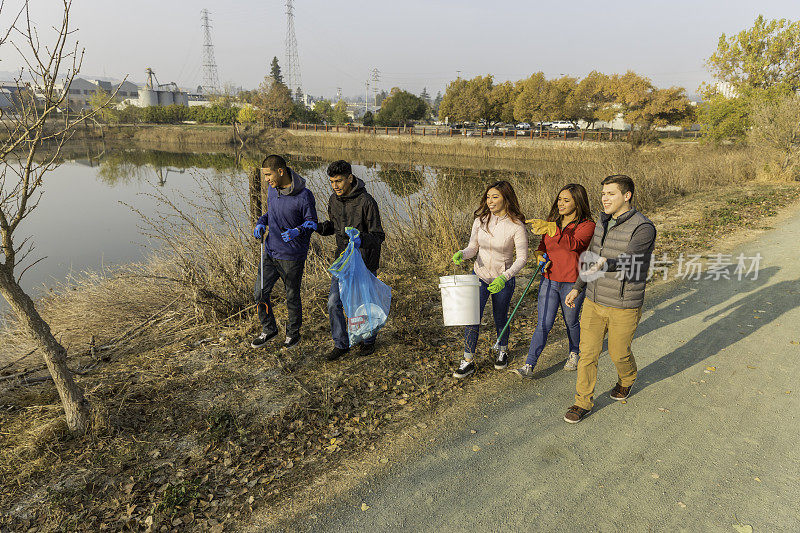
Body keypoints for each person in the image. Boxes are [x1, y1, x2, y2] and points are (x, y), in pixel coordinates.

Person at [562, 175, 656, 423]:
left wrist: (608, 263)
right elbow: (592, 257)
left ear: (627, 196)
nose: (604, 198)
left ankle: (627, 379)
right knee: (587, 354)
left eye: (611, 194)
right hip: (594, 300)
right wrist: (578, 287)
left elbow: (633, 258)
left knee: (618, 354)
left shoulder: (643, 228)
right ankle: (582, 401)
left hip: (623, 304)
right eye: (603, 193)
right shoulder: (601, 223)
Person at [513, 184, 595, 378]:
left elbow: (574, 245)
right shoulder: (552, 221)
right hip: (549, 280)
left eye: (566, 200)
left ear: (578, 202)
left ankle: (575, 352)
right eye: (559, 199)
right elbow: (543, 245)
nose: (561, 203)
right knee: (544, 323)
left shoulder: (587, 225)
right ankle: (529, 365)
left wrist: (553, 230)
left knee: (571, 321)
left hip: (573, 283)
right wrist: (540, 256)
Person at [452, 180, 528, 379]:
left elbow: (522, 258)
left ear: (506, 199)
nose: (490, 201)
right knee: (471, 317)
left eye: (495, 197)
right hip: (479, 276)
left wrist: (506, 276)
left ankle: (502, 350)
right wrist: (463, 253)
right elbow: (473, 247)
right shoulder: (481, 220)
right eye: (488, 197)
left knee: (500, 317)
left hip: (503, 279)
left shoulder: (516, 226)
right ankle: (468, 360)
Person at [316, 160, 386, 361]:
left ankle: (368, 341)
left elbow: (379, 236)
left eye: (339, 181)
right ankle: (341, 344)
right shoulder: (333, 199)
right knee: (333, 303)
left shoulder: (367, 202)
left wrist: (360, 238)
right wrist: (318, 227)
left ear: (350, 178)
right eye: (331, 182)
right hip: (343, 261)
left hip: (365, 261)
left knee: (364, 303)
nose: (335, 186)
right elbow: (334, 227)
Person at [251, 154, 318, 350]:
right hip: (270, 251)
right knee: (259, 293)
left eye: (268, 175)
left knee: (292, 296)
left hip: (292, 256)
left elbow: (312, 222)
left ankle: (293, 335)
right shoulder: (273, 191)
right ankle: (269, 329)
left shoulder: (304, 195)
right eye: (264, 176)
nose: (266, 180)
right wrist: (261, 222)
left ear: (280, 171)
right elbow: (270, 213)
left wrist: (298, 231)